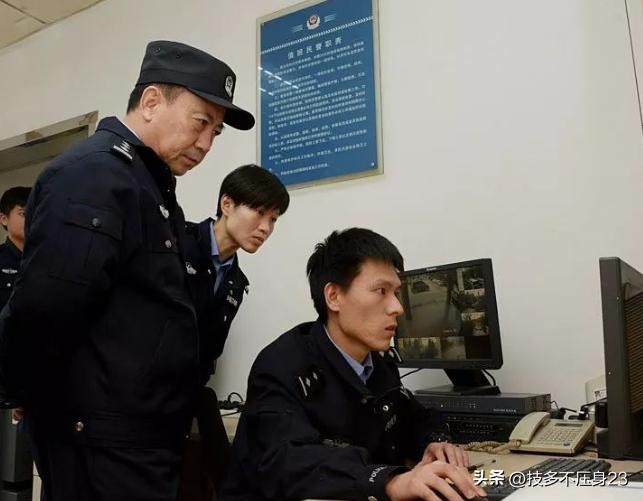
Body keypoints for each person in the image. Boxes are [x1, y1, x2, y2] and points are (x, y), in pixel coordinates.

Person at [0, 40, 254, 501]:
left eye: (215, 133)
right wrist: (23, 390)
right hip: (99, 442)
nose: (205, 144)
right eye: (201, 122)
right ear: (152, 102)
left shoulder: (148, 183)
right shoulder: (96, 175)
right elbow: (46, 305)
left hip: (135, 437)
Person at [223, 228, 487, 501]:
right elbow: (288, 462)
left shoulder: (378, 363)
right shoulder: (282, 365)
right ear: (334, 296)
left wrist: (435, 442)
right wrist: (388, 481)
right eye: (381, 291)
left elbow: (416, 417)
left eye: (396, 293)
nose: (397, 307)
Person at [178, 164, 289, 499]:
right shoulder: (175, 242)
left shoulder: (235, 283)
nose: (266, 227)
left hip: (184, 400)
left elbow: (209, 351)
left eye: (273, 219)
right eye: (259, 212)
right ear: (227, 204)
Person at [0, 186, 31, 309]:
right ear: (4, 219)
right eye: (23, 214)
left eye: (36, 213)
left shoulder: (50, 259)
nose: (31, 219)